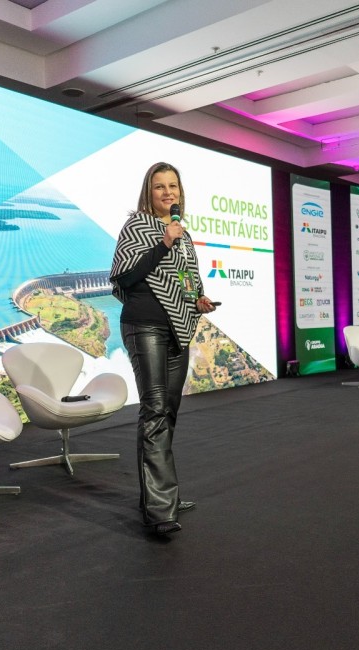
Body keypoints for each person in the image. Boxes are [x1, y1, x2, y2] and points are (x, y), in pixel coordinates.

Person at [109, 162, 216, 536]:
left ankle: (158, 497)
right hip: (144, 326)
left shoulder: (184, 236)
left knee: (167, 414)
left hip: (177, 328)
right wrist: (164, 242)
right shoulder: (137, 227)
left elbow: (187, 281)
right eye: (160, 187)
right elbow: (125, 276)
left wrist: (198, 299)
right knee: (154, 411)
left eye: (173, 186)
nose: (168, 192)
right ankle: (160, 511)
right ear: (149, 192)